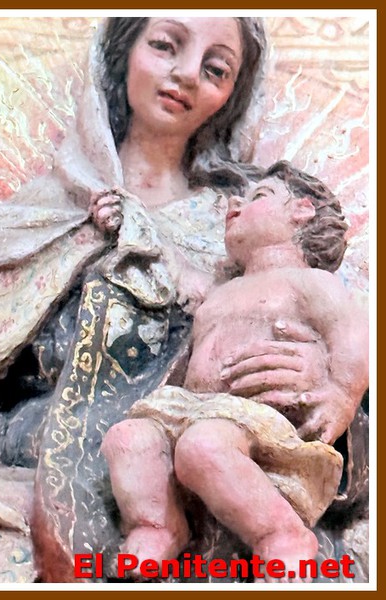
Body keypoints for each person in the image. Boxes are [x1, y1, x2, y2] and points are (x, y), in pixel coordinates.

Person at [0, 18, 365, 583]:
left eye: (216, 69)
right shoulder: (35, 216)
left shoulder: (234, 237)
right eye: (165, 45)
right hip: (38, 469)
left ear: (233, 96)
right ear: (119, 54)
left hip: (228, 475)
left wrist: (320, 387)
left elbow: (347, 371)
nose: (186, 75)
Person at [101, 161, 369, 583]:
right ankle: (157, 526)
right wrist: (130, 220)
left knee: (202, 447)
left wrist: (340, 392)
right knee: (127, 438)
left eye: (259, 196)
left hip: (255, 420)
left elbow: (351, 334)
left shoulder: (309, 282)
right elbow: (170, 272)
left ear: (301, 211)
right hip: (186, 408)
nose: (235, 205)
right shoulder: (219, 291)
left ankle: (280, 534)